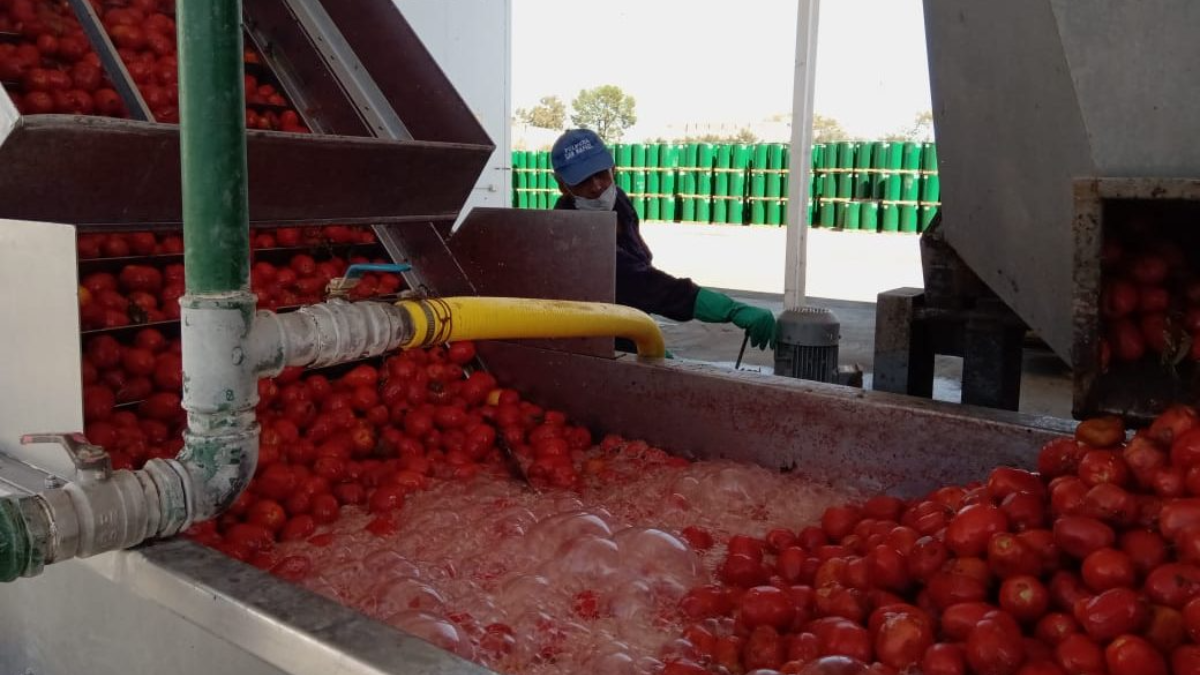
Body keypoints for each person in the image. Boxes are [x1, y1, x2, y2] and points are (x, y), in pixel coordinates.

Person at [550, 128, 776, 353]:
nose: (597, 187)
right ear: (562, 186)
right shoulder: (571, 236)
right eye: (583, 181)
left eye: (601, 173)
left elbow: (639, 265)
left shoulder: (618, 202)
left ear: (613, 167)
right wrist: (730, 309)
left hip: (630, 327)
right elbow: (645, 285)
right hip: (594, 344)